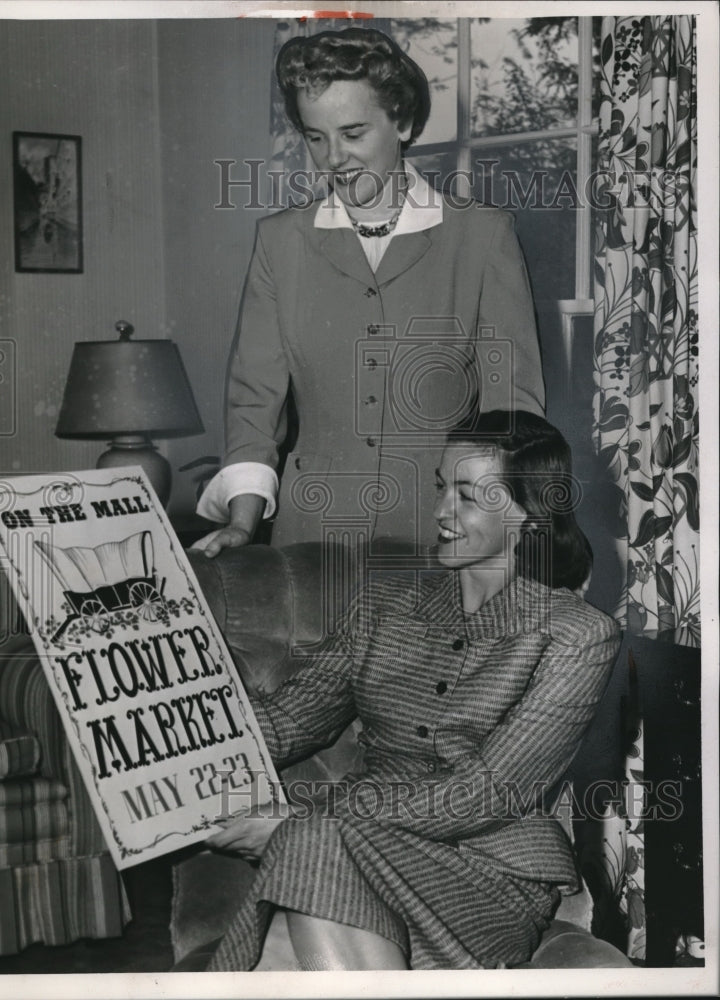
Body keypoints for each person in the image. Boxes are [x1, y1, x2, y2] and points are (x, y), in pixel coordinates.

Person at [203, 410, 621, 970]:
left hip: (486, 876)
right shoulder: (385, 605)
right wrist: (177, 716)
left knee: (306, 852)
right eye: (442, 486)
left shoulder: (576, 636)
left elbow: (485, 794)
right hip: (347, 851)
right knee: (288, 919)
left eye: (469, 496)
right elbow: (289, 720)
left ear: (528, 513)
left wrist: (300, 817)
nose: (442, 511)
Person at [195, 27, 545, 555]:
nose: (333, 157)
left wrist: (509, 537)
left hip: (441, 530)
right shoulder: (280, 241)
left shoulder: (482, 235)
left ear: (402, 122)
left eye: (353, 132)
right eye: (316, 137)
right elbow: (253, 402)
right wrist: (243, 526)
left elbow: (513, 411)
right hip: (313, 539)